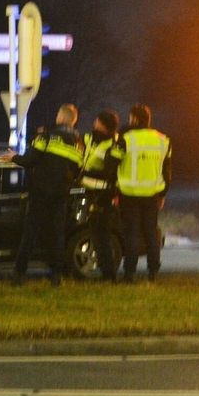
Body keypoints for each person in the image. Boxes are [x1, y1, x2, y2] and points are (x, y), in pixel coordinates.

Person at [0, 103, 84, 286]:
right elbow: (77, 169)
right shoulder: (79, 143)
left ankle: (19, 275)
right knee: (57, 236)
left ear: (61, 117)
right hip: (61, 195)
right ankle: (56, 276)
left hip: (40, 192)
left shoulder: (46, 136)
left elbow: (30, 160)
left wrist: (13, 157)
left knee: (30, 234)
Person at [106, 104, 172, 282]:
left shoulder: (126, 139)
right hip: (152, 195)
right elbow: (167, 172)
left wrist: (113, 188)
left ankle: (130, 273)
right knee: (151, 233)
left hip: (129, 194)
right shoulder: (163, 140)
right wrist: (163, 194)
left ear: (134, 119)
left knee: (132, 234)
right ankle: (153, 271)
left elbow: (111, 164)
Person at [79, 109, 120, 282]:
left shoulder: (112, 145)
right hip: (91, 194)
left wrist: (86, 174)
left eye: (97, 121)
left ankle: (109, 275)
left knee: (101, 237)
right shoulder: (92, 139)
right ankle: (107, 273)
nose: (94, 123)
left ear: (103, 124)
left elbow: (110, 174)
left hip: (103, 196)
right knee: (97, 236)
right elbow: (82, 144)